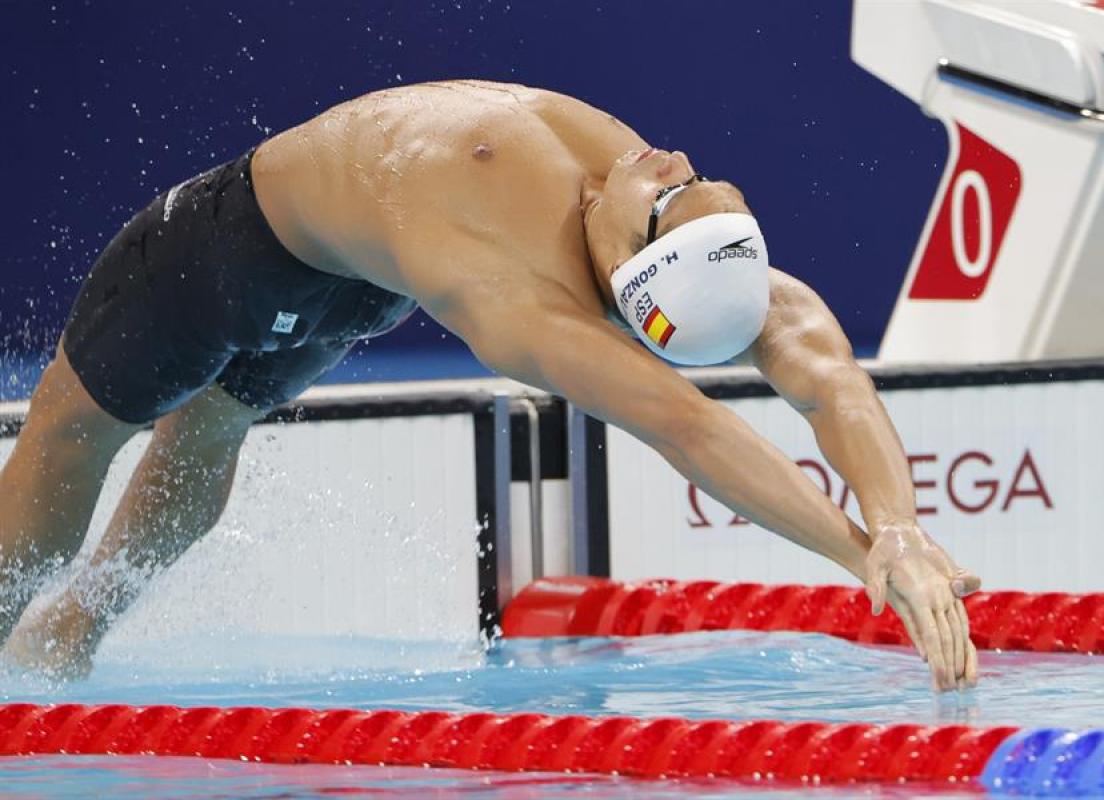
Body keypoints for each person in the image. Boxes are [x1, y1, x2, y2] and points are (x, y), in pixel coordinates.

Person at [0, 80, 980, 689]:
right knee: (150, 430)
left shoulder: (594, 269)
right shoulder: (584, 268)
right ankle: (51, 629)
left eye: (672, 196)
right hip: (296, 264)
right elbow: (753, 394)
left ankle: (57, 628)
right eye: (684, 191)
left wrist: (878, 544)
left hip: (289, 265)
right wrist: (876, 541)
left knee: (113, 431)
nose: (669, 169)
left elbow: (757, 399)